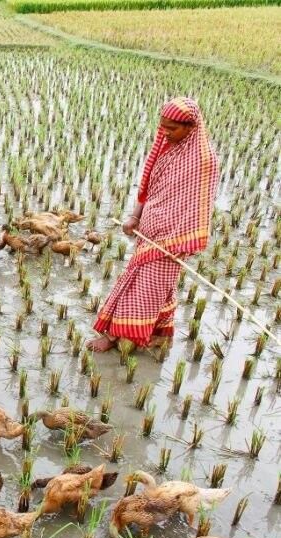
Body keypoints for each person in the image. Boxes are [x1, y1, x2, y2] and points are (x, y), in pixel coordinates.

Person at [87, 97, 218, 352]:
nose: (165, 133)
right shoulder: (166, 147)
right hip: (149, 230)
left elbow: (199, 207)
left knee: (144, 286)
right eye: (163, 126)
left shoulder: (203, 160)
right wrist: (136, 216)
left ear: (191, 127)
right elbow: (150, 187)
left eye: (172, 128)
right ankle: (159, 333)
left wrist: (178, 240)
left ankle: (114, 336)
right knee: (157, 287)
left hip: (173, 240)